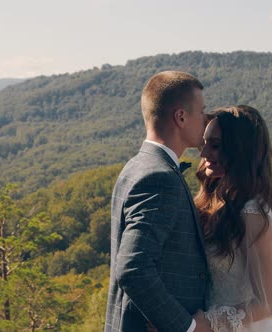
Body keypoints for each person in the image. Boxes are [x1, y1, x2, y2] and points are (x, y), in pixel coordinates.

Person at [105, 71, 213, 332]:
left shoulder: (136, 166)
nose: (206, 119)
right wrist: (186, 327)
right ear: (181, 117)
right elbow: (133, 268)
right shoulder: (159, 178)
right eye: (202, 111)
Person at [195, 105, 272, 331]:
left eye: (215, 145)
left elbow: (268, 303)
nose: (203, 154)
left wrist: (204, 324)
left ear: (240, 150)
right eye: (204, 143)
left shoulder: (252, 213)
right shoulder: (212, 202)